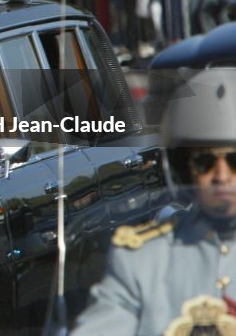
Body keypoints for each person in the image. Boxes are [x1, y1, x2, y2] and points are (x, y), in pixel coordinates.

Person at [71, 68, 236, 335]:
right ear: (182, 168)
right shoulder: (145, 260)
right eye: (204, 161)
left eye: (234, 160)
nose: (222, 176)